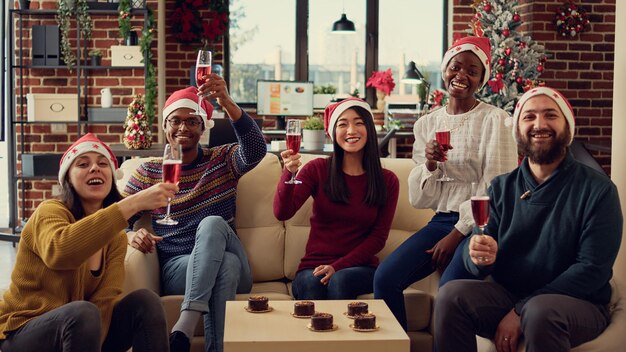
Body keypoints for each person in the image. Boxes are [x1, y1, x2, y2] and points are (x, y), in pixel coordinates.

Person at [434, 87, 623, 352]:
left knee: (539, 311)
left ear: (567, 127)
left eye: (550, 115)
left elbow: (592, 270)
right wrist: (476, 256)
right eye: (529, 117)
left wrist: (520, 310)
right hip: (511, 295)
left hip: (578, 303)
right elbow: (479, 252)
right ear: (519, 129)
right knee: (451, 296)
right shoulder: (501, 188)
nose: (539, 124)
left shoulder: (599, 190)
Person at [374, 36, 519, 331]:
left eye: (472, 70)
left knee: (450, 293)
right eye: (456, 67)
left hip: (481, 225)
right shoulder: (427, 124)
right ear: (445, 70)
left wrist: (456, 234)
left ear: (481, 79)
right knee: (385, 278)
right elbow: (421, 200)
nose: (461, 75)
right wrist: (428, 164)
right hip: (441, 221)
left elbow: (496, 189)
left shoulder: (496, 120)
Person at [123, 77, 266, 352]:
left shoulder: (222, 159)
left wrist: (227, 102)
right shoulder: (148, 172)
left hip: (239, 266)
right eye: (175, 120)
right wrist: (131, 234)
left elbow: (256, 150)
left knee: (212, 224)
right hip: (179, 267)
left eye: (192, 121)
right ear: (165, 125)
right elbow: (115, 218)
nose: (183, 128)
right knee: (224, 265)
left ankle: (184, 325)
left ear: (203, 128)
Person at [0, 133, 174, 352]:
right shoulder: (49, 211)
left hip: (82, 331)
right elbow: (61, 252)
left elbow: (104, 303)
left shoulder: (116, 239)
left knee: (145, 302)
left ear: (112, 177)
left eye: (103, 164)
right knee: (83, 312)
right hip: (23, 330)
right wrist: (133, 203)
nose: (95, 168)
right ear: (68, 179)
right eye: (83, 164)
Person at [274, 98, 399, 300]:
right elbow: (282, 212)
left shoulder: (387, 180)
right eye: (343, 124)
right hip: (313, 267)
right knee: (312, 283)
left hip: (360, 268)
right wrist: (288, 173)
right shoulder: (316, 169)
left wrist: (337, 266)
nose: (351, 130)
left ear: (369, 128)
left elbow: (378, 238)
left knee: (340, 280)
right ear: (333, 134)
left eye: (359, 123)